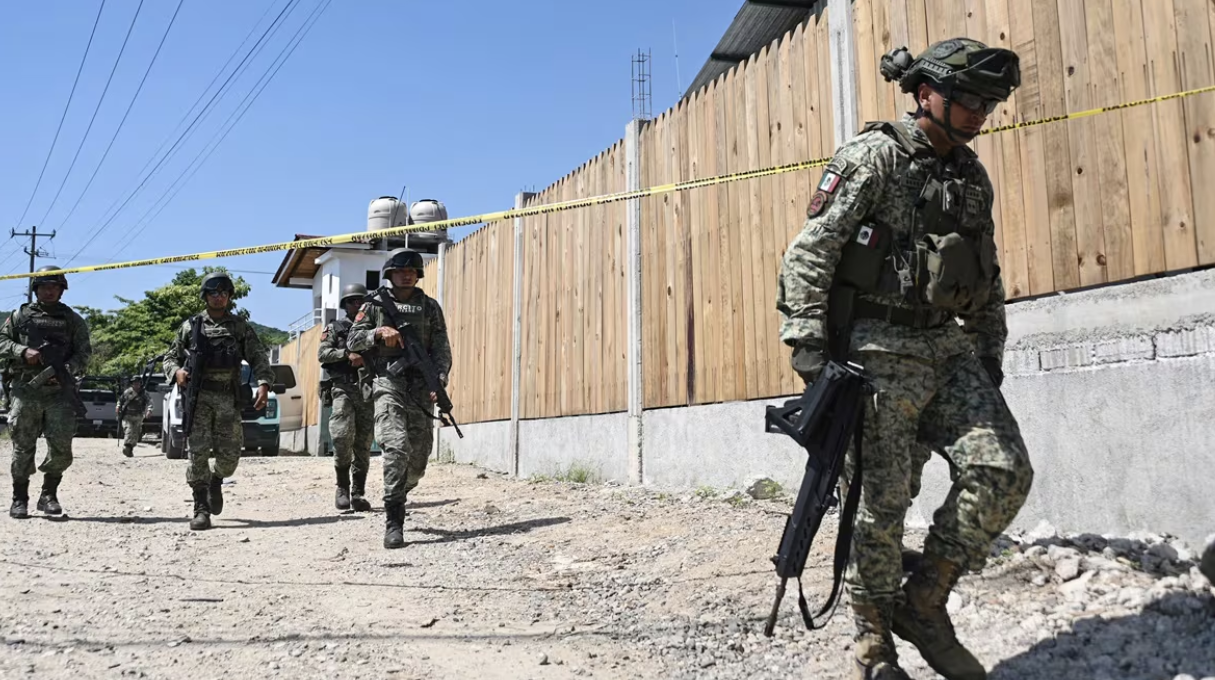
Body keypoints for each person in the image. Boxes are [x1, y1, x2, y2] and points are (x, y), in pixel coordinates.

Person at [775, 38, 1034, 680]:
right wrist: (811, 355)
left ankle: (923, 604)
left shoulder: (970, 177)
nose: (979, 111)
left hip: (945, 349)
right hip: (875, 354)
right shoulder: (874, 158)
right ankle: (873, 646)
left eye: (987, 102)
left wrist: (989, 353)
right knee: (881, 504)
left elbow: (985, 274)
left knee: (1003, 469)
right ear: (925, 93)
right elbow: (810, 252)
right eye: (967, 98)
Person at [348, 248, 451, 549]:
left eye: (412, 270)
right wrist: (378, 333)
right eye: (400, 269)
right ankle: (394, 520)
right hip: (387, 381)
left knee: (417, 460)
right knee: (395, 445)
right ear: (390, 273)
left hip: (420, 386)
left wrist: (439, 380)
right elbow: (353, 340)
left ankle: (400, 489)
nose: (406, 274)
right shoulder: (374, 305)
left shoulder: (430, 307)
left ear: (418, 274)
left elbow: (442, 348)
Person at [162, 271, 274, 530]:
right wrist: (176, 372)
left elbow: (258, 356)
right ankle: (201, 508)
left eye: (224, 293)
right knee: (197, 453)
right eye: (213, 292)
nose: (219, 297)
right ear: (205, 296)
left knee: (230, 458)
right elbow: (170, 357)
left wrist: (265, 384)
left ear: (229, 297)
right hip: (199, 398)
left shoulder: (239, 327)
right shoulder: (191, 326)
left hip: (228, 398)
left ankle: (216, 480)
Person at [0, 265, 91, 519]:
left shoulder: (72, 320)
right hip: (25, 390)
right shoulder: (20, 316)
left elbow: (84, 353)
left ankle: (48, 495)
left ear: (62, 290)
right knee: (22, 446)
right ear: (36, 289)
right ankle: (19, 498)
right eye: (44, 286)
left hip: (60, 392)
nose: (49, 291)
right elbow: (2, 342)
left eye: (54, 287)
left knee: (61, 447)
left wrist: (64, 368)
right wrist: (22, 351)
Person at [318, 282, 375, 512]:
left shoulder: (374, 327)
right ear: (345, 305)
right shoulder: (336, 328)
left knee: (363, 443)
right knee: (341, 437)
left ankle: (358, 493)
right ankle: (342, 486)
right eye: (352, 301)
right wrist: (346, 354)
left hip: (367, 389)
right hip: (342, 388)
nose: (357, 304)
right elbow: (323, 353)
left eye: (361, 300)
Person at [116, 376, 151, 457]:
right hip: (127, 416)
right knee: (128, 430)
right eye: (134, 383)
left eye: (138, 383)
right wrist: (118, 407)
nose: (136, 384)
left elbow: (149, 402)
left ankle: (130, 448)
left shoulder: (144, 393)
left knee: (136, 433)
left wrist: (149, 410)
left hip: (138, 416)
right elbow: (120, 400)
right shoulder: (127, 392)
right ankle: (127, 446)